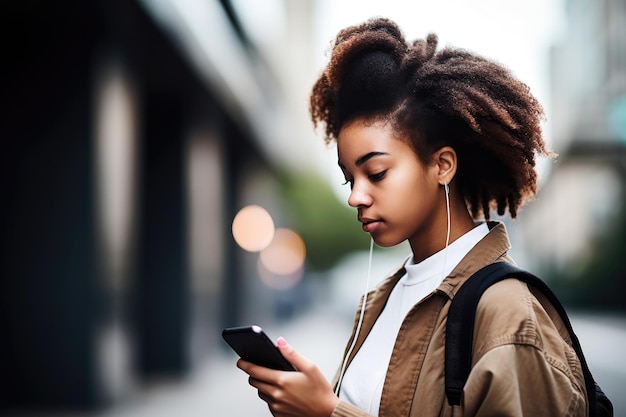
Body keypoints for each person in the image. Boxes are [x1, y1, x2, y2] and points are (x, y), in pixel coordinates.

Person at [236, 17, 588, 417]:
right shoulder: (380, 301)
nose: (355, 196)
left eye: (377, 173)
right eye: (349, 178)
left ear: (442, 165)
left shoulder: (507, 313)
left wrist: (327, 412)